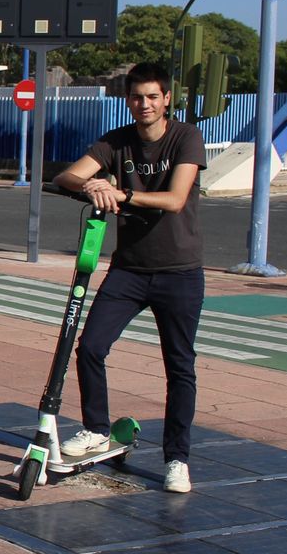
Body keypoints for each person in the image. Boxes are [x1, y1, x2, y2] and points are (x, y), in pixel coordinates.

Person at [54, 62, 208, 494]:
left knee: (179, 367)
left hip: (180, 273)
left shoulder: (186, 138)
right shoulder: (116, 141)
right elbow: (65, 176)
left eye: (153, 97)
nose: (145, 105)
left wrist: (120, 192)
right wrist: (92, 185)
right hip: (129, 270)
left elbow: (176, 199)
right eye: (138, 97)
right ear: (129, 101)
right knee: (90, 347)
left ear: (166, 100)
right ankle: (97, 430)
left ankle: (177, 458)